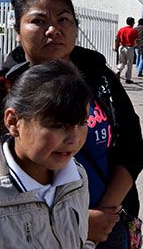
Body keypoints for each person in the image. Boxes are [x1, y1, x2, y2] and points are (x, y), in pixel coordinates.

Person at [2, 0, 143, 248]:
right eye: (38, 21)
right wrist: (77, 220)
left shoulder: (100, 77)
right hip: (32, 232)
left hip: (109, 220)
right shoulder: (6, 88)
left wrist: (103, 212)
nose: (53, 29)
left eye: (63, 19)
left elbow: (132, 148)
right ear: (18, 31)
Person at [0, 60, 94, 248]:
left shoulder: (77, 176)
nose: (73, 139)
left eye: (82, 123)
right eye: (57, 125)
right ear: (13, 122)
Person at [115, 17, 139, 84]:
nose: (134, 23)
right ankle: (128, 79)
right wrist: (139, 48)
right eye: (134, 22)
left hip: (121, 47)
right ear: (132, 23)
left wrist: (116, 47)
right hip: (129, 48)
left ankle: (118, 71)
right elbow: (137, 41)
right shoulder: (134, 31)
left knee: (121, 62)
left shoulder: (121, 29)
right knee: (129, 63)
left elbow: (117, 39)